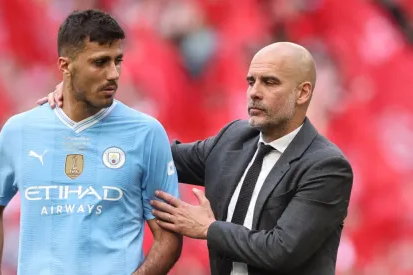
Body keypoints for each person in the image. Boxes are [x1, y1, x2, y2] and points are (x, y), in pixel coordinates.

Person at [41, 41, 354, 275]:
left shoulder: (326, 166)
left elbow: (281, 250)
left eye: (269, 82)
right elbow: (159, 157)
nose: (254, 92)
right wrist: (90, 107)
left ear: (303, 93)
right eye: (251, 81)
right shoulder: (235, 138)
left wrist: (209, 229)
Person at [0, 9, 182, 275]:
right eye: (100, 62)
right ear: (65, 65)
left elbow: (169, 237)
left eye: (117, 60)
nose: (114, 74)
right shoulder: (20, 130)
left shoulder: (146, 133)